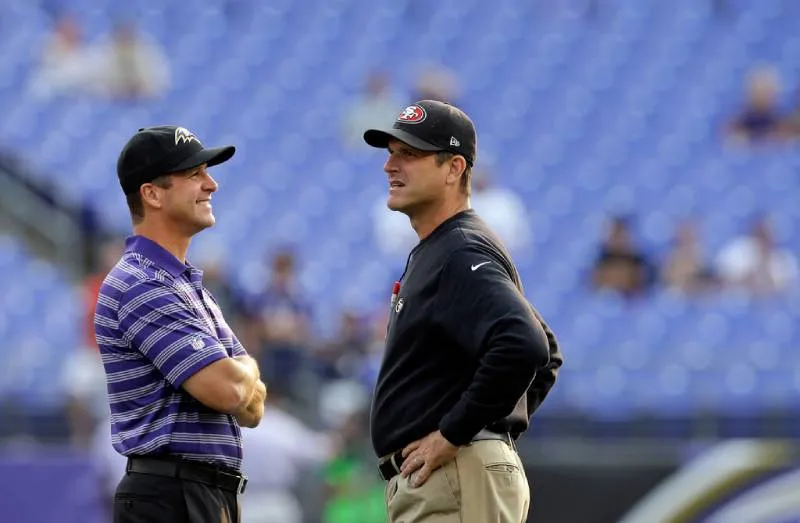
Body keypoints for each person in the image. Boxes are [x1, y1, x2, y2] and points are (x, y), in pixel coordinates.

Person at [363, 100, 564, 522]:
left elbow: (526, 345)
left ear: (454, 168)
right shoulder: (444, 248)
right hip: (451, 476)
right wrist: (488, 432)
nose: (390, 166)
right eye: (391, 153)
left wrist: (462, 433)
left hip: (454, 475)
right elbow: (546, 352)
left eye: (409, 154)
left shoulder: (459, 250)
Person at [95, 125, 268, 523]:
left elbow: (254, 409)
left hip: (198, 493)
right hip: (171, 495)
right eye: (194, 174)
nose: (211, 184)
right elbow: (230, 392)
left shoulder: (183, 284)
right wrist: (245, 368)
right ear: (152, 194)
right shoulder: (141, 283)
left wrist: (239, 375)